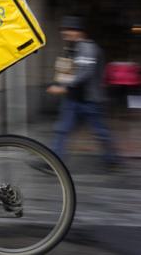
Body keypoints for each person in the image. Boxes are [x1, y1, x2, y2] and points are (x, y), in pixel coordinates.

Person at [47, 16, 118, 168]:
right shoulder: (72, 48)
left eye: (69, 30)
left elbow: (85, 72)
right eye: (64, 30)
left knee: (100, 131)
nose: (65, 33)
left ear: (79, 32)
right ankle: (54, 161)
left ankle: (112, 159)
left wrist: (64, 87)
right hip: (73, 99)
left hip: (90, 100)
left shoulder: (87, 47)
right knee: (62, 130)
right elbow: (68, 71)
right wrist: (60, 82)